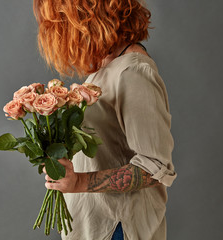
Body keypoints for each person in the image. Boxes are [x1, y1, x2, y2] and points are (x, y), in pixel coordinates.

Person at [33, 0, 178, 240]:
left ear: (85, 16)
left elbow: (154, 168)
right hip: (92, 223)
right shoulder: (103, 69)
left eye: (61, 20)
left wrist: (78, 182)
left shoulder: (133, 72)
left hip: (117, 227)